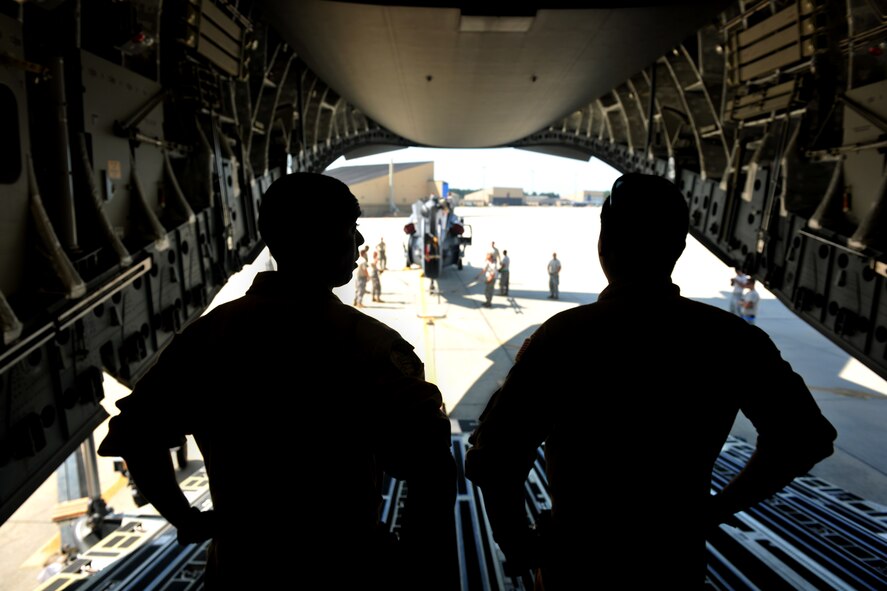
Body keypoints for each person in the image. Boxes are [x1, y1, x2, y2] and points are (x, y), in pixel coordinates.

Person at [464, 173, 837, 589]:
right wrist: (715, 510)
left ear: (604, 246)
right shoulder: (732, 340)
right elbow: (806, 438)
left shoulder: (564, 337)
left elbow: (494, 459)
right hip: (673, 563)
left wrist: (519, 545)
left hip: (579, 563)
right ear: (677, 247)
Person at [97, 172, 458, 590]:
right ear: (318, 238)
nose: (359, 242)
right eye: (348, 228)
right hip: (347, 569)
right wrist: (415, 568)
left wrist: (187, 518)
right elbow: (432, 469)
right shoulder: (369, 344)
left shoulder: (208, 337)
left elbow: (135, 434)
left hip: (241, 571)